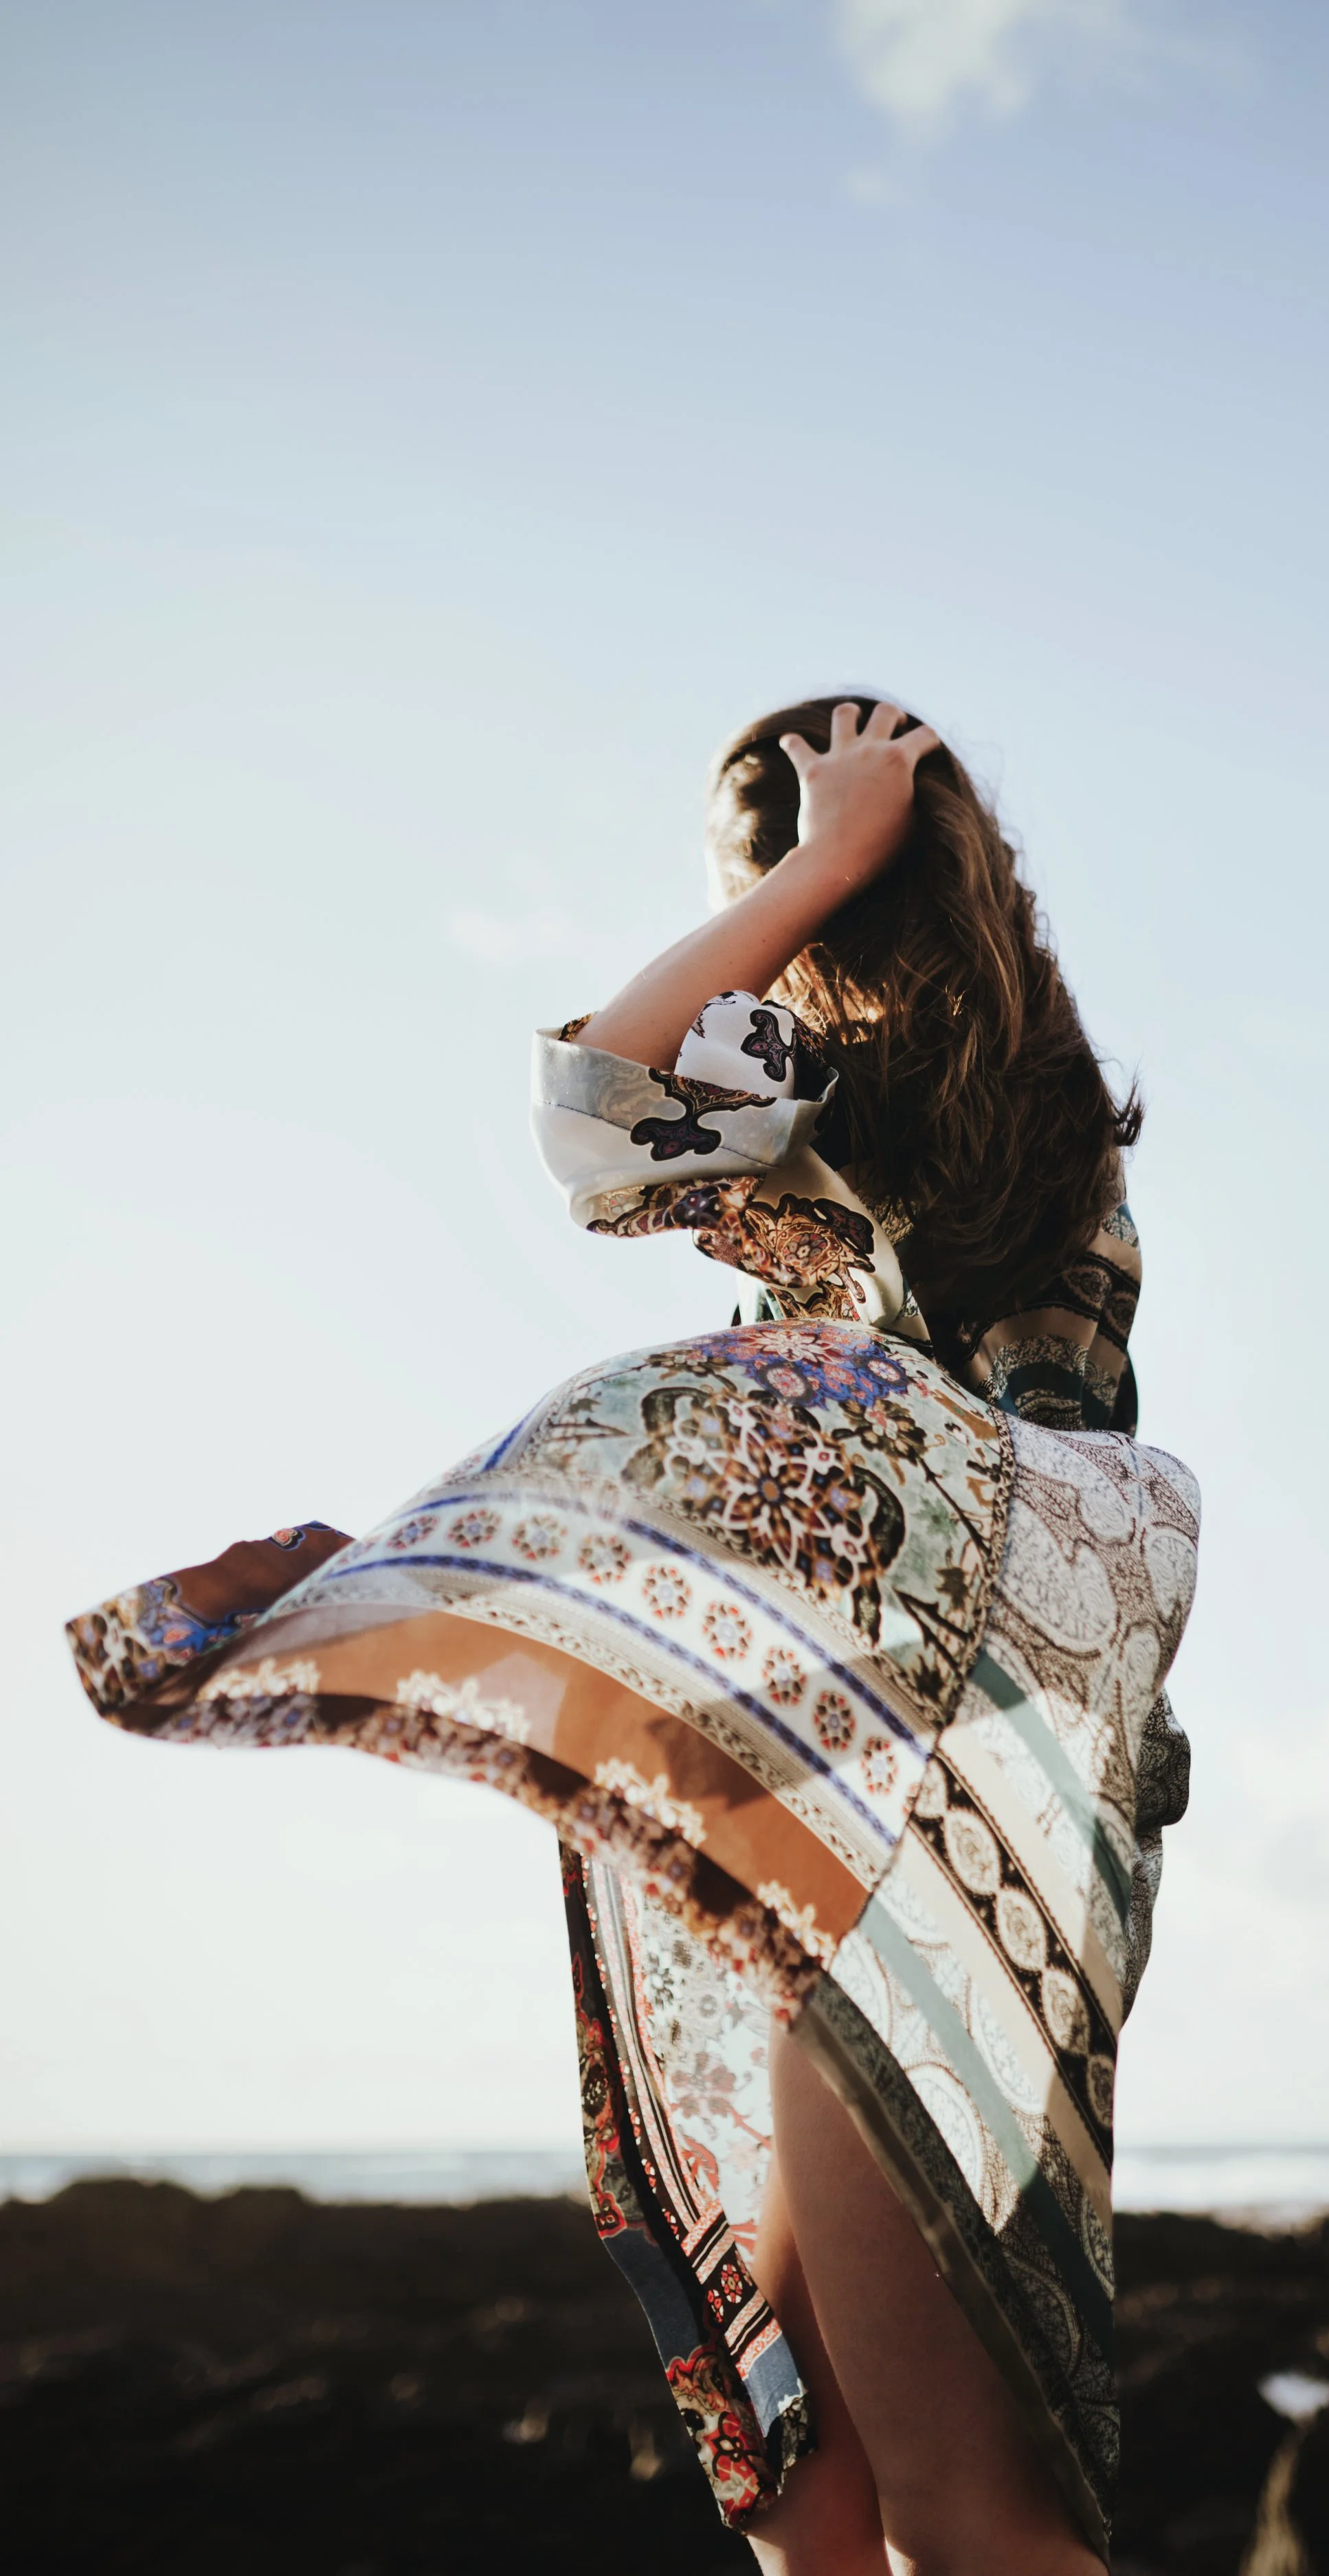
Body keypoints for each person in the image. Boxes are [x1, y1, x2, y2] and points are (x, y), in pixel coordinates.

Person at [67, 697, 1199, 2574]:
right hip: (852, 1780)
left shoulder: (968, 1112)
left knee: (959, 2510)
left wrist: (821, 850)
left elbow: (596, 1102)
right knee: (808, 2478)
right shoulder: (908, 1123)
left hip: (936, 1812)